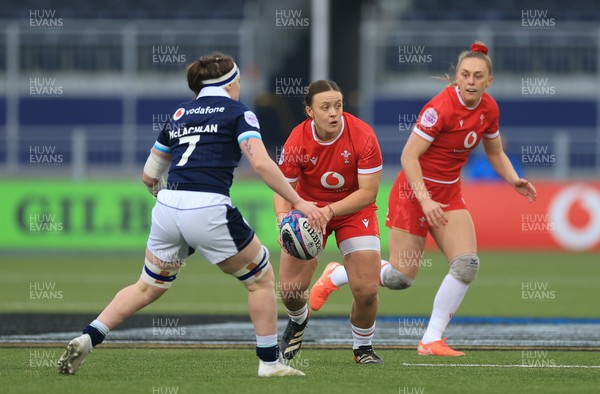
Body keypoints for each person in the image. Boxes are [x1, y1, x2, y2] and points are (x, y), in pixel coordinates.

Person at [56, 52, 327, 377]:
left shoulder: (181, 114)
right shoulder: (239, 112)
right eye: (238, 80)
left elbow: (149, 176)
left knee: (146, 286)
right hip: (209, 207)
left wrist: (174, 202)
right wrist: (299, 201)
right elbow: (261, 163)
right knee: (261, 281)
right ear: (229, 83)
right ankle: (269, 363)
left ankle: (89, 335)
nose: (240, 86)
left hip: (168, 206)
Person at [310, 42, 537, 356]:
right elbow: (408, 156)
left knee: (467, 265)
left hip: (448, 193)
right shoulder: (439, 109)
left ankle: (431, 339)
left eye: (478, 76)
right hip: (412, 194)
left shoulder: (489, 109)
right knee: (401, 278)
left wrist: (514, 180)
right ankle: (336, 274)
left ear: (489, 81)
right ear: (456, 78)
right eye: (465, 74)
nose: (471, 81)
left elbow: (495, 152)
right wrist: (425, 200)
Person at [274, 80, 384, 364]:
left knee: (367, 289)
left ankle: (363, 348)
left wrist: (331, 211)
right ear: (310, 111)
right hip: (308, 211)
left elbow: (368, 192)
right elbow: (283, 189)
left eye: (338, 105)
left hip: (354, 210)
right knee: (289, 291)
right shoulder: (297, 140)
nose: (334, 113)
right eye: (326, 107)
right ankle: (298, 321)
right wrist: (283, 220)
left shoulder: (363, 136)